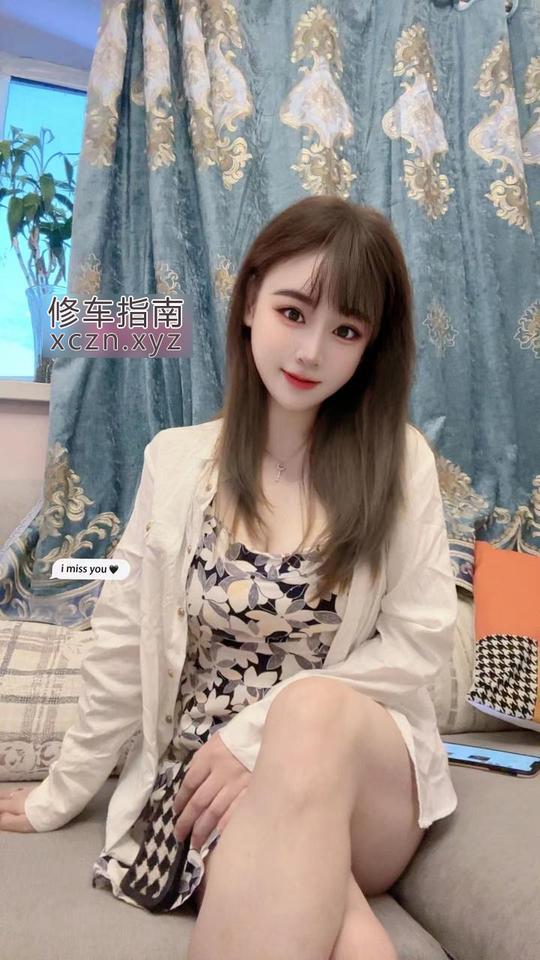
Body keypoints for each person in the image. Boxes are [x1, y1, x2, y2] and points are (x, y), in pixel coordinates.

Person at [0, 196, 458, 960]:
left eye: (345, 331)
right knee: (351, 936)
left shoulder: (399, 462)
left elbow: (421, 643)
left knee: (311, 713)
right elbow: (121, 640)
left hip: (364, 783)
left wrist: (258, 734)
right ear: (249, 303)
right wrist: (62, 791)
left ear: (370, 347)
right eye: (292, 312)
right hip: (207, 778)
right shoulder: (176, 461)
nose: (310, 351)